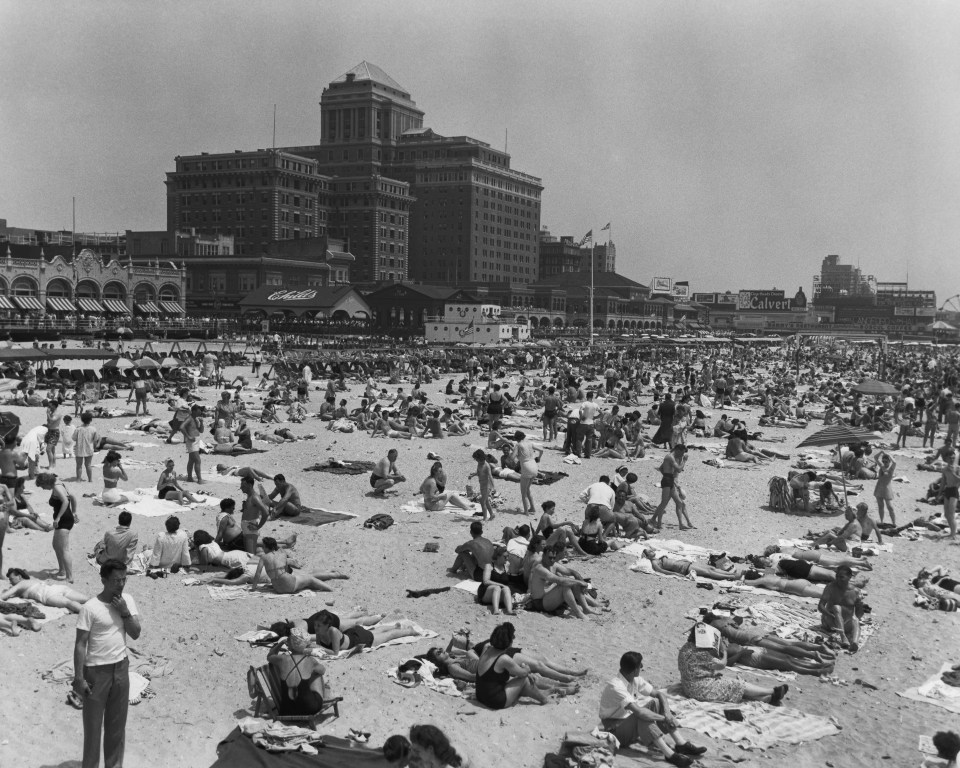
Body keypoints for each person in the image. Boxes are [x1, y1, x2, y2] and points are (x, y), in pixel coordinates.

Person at [73, 559, 141, 768]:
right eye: (115, 580)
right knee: (93, 728)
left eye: (123, 579)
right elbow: (80, 644)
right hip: (95, 672)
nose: (120, 584)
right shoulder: (90, 608)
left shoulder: (127, 600)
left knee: (116, 727)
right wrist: (78, 678)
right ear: (103, 580)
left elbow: (135, 633)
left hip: (121, 668)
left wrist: (124, 611)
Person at [599, 651, 705, 767]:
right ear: (635, 670)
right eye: (640, 665)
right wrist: (664, 718)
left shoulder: (634, 679)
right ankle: (670, 755)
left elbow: (659, 695)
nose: (642, 667)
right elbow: (640, 712)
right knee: (643, 715)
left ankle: (681, 743)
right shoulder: (616, 686)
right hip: (613, 731)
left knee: (656, 702)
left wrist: (667, 713)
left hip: (626, 722)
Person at [678, 623, 787, 705]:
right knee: (736, 684)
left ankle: (766, 699)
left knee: (729, 687)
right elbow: (722, 665)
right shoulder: (701, 653)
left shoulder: (685, 648)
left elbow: (699, 667)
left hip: (689, 685)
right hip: (699, 688)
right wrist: (724, 651)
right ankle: (772, 691)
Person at [475, 622, 549, 709]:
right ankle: (544, 700)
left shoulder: (486, 648)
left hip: (480, 696)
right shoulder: (503, 659)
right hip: (494, 701)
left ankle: (540, 693)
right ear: (508, 641)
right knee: (524, 679)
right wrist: (526, 668)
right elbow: (523, 673)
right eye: (512, 638)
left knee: (521, 681)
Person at [249, 537, 348, 594]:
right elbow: (288, 567)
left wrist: (254, 588)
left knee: (306, 576)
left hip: (278, 588)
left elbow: (257, 574)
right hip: (289, 585)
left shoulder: (263, 557)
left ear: (266, 547)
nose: (263, 548)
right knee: (310, 578)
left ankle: (333, 575)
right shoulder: (282, 553)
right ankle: (332, 588)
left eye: (263, 546)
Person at [528, 545, 597, 618]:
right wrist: (580, 582)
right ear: (544, 556)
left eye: (554, 558)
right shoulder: (540, 568)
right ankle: (578, 613)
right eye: (550, 558)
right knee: (565, 585)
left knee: (573, 582)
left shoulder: (553, 565)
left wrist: (581, 581)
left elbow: (571, 572)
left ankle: (586, 608)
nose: (552, 560)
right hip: (540, 602)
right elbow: (560, 580)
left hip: (549, 597)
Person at [313, 611, 419, 653]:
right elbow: (318, 646)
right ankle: (394, 626)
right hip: (351, 633)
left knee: (387, 636)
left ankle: (409, 631)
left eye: (318, 625)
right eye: (315, 625)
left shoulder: (333, 631)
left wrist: (316, 648)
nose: (316, 627)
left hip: (358, 639)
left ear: (327, 626)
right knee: (374, 631)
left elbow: (335, 653)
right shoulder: (319, 632)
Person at [37, 472, 77, 582]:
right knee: (56, 545)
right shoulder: (60, 483)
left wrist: (58, 518)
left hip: (64, 520)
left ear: (46, 482)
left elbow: (65, 501)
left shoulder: (56, 487)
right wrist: (73, 512)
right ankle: (62, 570)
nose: (43, 488)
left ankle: (69, 577)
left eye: (42, 486)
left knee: (64, 549)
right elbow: (72, 496)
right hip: (65, 518)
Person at [818, 565, 866, 652]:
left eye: (841, 577)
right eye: (837, 576)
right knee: (836, 607)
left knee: (855, 620)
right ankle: (843, 636)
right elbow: (820, 606)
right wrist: (830, 615)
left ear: (849, 577)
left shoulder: (855, 592)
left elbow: (859, 615)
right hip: (830, 622)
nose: (838, 579)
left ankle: (855, 643)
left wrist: (861, 607)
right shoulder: (830, 587)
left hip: (846, 623)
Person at [1, 568, 91, 613]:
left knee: (69, 603)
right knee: (86, 599)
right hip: (57, 587)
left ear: (19, 577)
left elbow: (3, 596)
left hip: (47, 594)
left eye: (11, 579)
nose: (10, 582)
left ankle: (90, 614)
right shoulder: (31, 580)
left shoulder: (20, 584)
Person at [650, 445, 693, 530]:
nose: (682, 455)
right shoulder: (670, 457)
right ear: (677, 450)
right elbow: (679, 469)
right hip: (667, 480)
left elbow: (661, 468)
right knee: (664, 502)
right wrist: (684, 461)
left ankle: (681, 524)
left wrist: (667, 474)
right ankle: (658, 523)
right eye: (682, 452)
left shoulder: (671, 457)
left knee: (679, 502)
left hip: (669, 479)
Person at [512, 431, 543, 516]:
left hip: (526, 467)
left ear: (516, 438)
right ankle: (532, 508)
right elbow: (541, 450)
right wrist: (539, 458)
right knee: (528, 489)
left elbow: (512, 457)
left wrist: (516, 455)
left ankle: (526, 512)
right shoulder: (530, 443)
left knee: (523, 492)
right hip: (534, 466)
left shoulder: (518, 445)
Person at [240, 475, 269, 554]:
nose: (241, 487)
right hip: (246, 529)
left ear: (249, 485)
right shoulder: (249, 496)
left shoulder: (254, 498)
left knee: (250, 556)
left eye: (243, 486)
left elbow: (266, 512)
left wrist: (258, 526)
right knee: (248, 554)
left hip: (251, 529)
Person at [180, 404, 204, 483]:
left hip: (196, 440)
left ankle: (189, 477)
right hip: (191, 441)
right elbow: (181, 427)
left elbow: (201, 431)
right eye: (198, 410)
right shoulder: (189, 418)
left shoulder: (196, 419)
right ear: (194, 411)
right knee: (197, 460)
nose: (200, 412)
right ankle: (199, 479)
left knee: (191, 460)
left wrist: (201, 422)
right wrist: (188, 436)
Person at [74, 412, 100, 483]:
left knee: (79, 465)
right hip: (89, 449)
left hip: (79, 449)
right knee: (88, 465)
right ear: (90, 420)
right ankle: (90, 479)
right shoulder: (93, 429)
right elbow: (95, 440)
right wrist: (95, 448)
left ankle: (78, 479)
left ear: (82, 420)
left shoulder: (78, 429)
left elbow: (74, 438)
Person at [872, 451, 897, 525]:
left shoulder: (891, 469)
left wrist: (889, 455)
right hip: (879, 488)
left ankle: (894, 523)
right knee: (880, 506)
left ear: (889, 461)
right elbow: (875, 457)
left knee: (890, 507)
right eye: (883, 461)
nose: (884, 463)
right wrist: (881, 452)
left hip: (887, 489)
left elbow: (894, 462)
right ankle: (882, 521)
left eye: (886, 461)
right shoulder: (882, 466)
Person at [940, 449, 959, 540]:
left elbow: (958, 480)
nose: (952, 460)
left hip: (954, 491)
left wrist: (952, 473)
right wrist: (939, 494)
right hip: (947, 490)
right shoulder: (944, 469)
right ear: (946, 459)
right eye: (950, 458)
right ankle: (951, 532)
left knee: (951, 513)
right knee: (947, 514)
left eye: (953, 458)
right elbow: (943, 482)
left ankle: (953, 534)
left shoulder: (957, 468)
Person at [45, 399, 63, 470]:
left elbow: (52, 420)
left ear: (54, 406)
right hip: (50, 431)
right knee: (52, 450)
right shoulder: (52, 412)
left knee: (48, 449)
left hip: (55, 432)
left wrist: (47, 414)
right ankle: (53, 464)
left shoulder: (57, 413)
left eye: (50, 406)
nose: (49, 407)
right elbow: (49, 422)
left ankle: (50, 465)